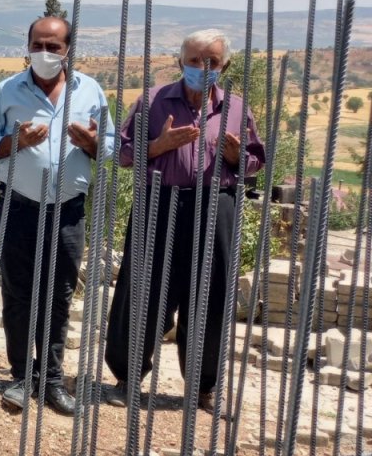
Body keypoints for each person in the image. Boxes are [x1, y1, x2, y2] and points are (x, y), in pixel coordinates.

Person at [104, 28, 265, 414]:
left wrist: (235, 157)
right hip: (159, 204)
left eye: (211, 61)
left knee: (211, 297)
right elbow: (124, 154)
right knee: (143, 289)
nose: (202, 67)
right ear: (180, 62)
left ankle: (203, 388)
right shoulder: (153, 101)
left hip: (215, 206)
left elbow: (256, 162)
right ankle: (128, 378)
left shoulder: (238, 109)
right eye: (194, 60)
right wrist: (159, 147)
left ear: (223, 66)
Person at [0, 16, 114, 415]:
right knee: (18, 294)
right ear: (27, 45)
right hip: (19, 205)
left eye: (54, 46)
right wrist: (12, 142)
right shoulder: (6, 90)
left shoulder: (91, 91)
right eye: (38, 45)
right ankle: (20, 377)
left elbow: (113, 145)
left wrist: (92, 144)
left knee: (60, 294)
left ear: (69, 49)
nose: (45, 53)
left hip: (68, 211)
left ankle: (51, 380)